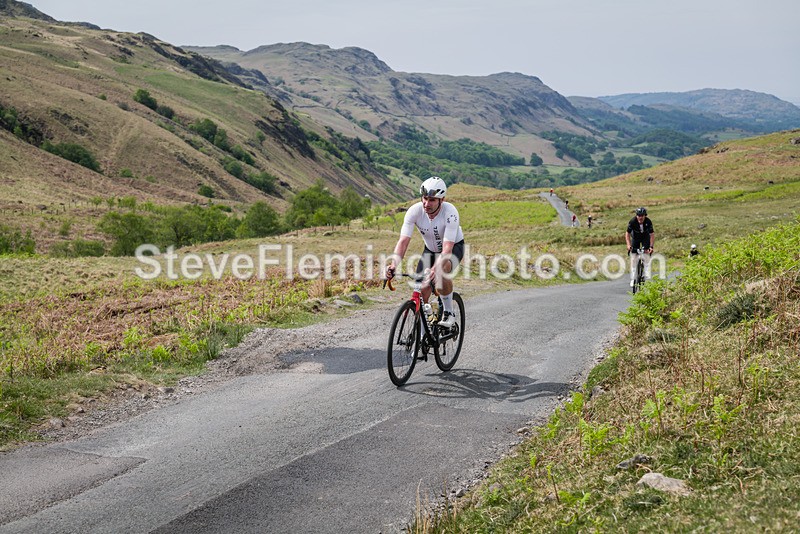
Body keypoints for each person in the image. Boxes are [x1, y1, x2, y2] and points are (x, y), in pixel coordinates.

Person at [385, 177, 465, 328]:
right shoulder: (414, 211)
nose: (427, 204)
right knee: (421, 289)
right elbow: (403, 242)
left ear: (442, 200)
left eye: (432, 200)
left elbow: (447, 249)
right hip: (430, 250)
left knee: (441, 272)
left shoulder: (450, 212)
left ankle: (449, 312)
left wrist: (435, 270)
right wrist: (393, 264)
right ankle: (423, 334)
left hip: (453, 248)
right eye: (425, 198)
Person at [625, 207, 655, 287]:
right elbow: (627, 234)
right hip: (635, 238)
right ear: (636, 215)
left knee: (646, 254)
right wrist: (628, 245)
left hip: (645, 237)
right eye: (638, 215)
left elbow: (652, 235)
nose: (640, 217)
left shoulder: (648, 222)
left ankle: (645, 274)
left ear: (645, 216)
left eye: (642, 215)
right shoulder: (632, 221)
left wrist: (651, 246)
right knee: (634, 257)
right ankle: (633, 278)